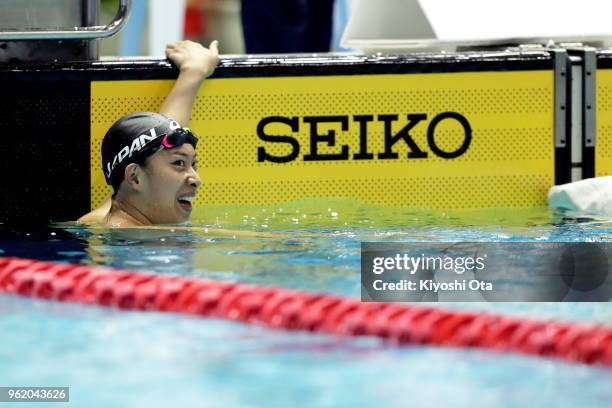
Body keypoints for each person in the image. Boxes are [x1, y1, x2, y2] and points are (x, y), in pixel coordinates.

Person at [78, 40, 219, 227]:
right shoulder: (145, 240)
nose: (196, 180)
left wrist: (193, 72)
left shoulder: (101, 218)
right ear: (134, 177)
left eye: (193, 164)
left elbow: (159, 135)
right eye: (179, 163)